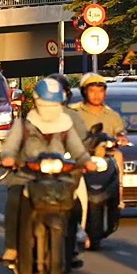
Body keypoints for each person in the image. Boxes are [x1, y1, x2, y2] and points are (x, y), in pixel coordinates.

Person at [0, 78, 97, 263]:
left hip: (59, 177)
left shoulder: (66, 125)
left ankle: (71, 246)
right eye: (46, 104)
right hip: (27, 175)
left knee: (75, 206)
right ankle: (11, 247)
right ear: (36, 101)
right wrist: (8, 158)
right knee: (14, 202)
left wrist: (87, 162)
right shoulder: (23, 124)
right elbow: (10, 147)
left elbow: (77, 149)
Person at [47, 73, 90, 262]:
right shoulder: (33, 116)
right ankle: (14, 246)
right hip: (38, 172)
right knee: (17, 197)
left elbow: (85, 140)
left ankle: (75, 235)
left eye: (60, 91)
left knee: (78, 201)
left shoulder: (74, 117)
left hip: (68, 170)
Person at [73, 72, 128, 208]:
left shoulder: (112, 115)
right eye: (92, 91)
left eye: (100, 91)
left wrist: (121, 138)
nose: (96, 95)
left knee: (118, 156)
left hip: (105, 154)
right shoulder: (75, 112)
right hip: (80, 153)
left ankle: (118, 195)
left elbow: (120, 132)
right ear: (84, 92)